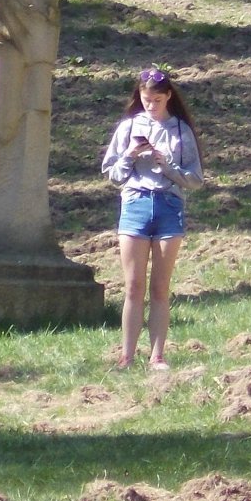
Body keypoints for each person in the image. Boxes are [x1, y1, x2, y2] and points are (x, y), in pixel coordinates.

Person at [100, 66, 204, 370]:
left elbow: (195, 179)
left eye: (157, 100)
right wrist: (131, 155)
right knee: (133, 286)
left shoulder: (181, 131)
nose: (151, 105)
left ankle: (157, 355)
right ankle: (126, 356)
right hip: (135, 204)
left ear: (168, 96)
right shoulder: (128, 127)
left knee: (160, 287)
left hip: (169, 206)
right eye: (146, 99)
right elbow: (113, 174)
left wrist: (167, 165)